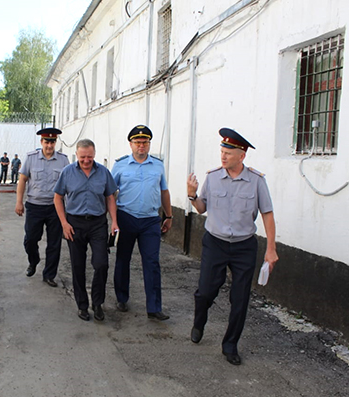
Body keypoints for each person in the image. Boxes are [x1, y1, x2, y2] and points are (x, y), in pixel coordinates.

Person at [187, 127, 279, 366]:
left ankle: (230, 345)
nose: (223, 156)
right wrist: (191, 195)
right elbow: (201, 208)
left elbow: (267, 214)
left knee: (240, 299)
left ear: (242, 155)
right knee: (205, 291)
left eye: (228, 152)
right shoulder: (214, 177)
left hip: (243, 246)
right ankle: (199, 322)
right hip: (215, 243)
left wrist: (271, 249)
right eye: (222, 151)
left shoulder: (257, 181)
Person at [111, 125, 173, 321]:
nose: (141, 146)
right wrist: (113, 220)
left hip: (150, 220)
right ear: (130, 144)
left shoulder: (158, 165)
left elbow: (164, 191)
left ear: (149, 144)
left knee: (152, 262)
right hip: (126, 217)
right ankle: (122, 298)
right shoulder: (120, 165)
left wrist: (169, 216)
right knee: (123, 259)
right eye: (137, 142)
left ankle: (154, 307)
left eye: (145, 142)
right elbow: (110, 193)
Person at [54, 139, 118, 322]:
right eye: (82, 157)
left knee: (101, 264)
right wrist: (64, 224)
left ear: (94, 154)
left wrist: (114, 221)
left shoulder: (104, 173)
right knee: (77, 266)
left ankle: (97, 303)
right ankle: (82, 305)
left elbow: (110, 197)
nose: (86, 160)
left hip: (98, 223)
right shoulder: (67, 172)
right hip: (74, 224)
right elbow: (57, 198)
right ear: (77, 155)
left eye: (89, 156)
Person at [15, 128, 69, 287]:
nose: (49, 145)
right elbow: (22, 180)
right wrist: (19, 202)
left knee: (54, 243)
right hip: (34, 206)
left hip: (55, 208)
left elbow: (68, 184)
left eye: (52, 142)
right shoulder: (31, 158)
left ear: (55, 143)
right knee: (31, 239)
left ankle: (49, 274)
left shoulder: (63, 160)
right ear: (41, 142)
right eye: (47, 142)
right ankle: (34, 260)